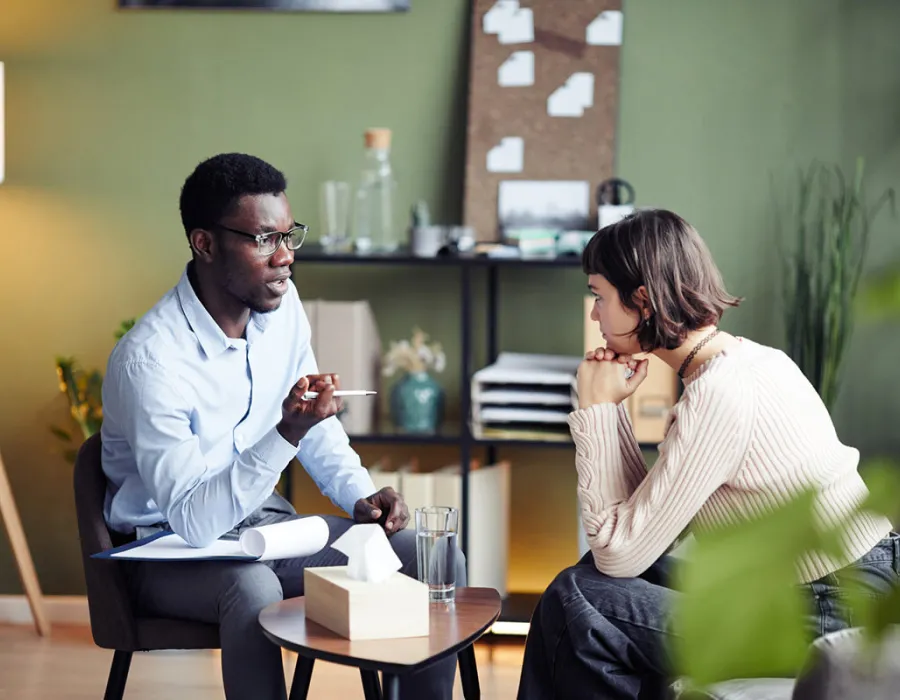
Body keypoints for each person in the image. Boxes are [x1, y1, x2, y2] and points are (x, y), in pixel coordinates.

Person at [100, 152, 465, 700]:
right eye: (264, 239)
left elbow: (314, 421)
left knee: (425, 551)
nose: (286, 257)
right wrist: (285, 433)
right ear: (205, 243)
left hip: (265, 528)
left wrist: (360, 497)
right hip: (166, 548)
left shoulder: (280, 306)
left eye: (289, 235)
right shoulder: (151, 361)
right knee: (251, 587)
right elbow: (195, 522)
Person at [516, 208, 898, 699]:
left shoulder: (719, 393)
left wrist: (594, 409)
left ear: (643, 301)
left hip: (825, 613)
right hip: (833, 587)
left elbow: (621, 552)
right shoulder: (747, 360)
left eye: (598, 295)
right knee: (586, 580)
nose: (594, 314)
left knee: (579, 598)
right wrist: (609, 411)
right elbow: (639, 528)